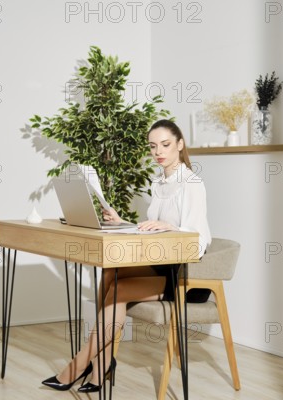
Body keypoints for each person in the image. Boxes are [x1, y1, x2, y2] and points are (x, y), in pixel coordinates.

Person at [42, 119, 212, 392]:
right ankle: (101, 365)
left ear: (180, 145)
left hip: (180, 276)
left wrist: (173, 227)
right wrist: (123, 222)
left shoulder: (192, 184)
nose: (159, 151)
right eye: (153, 146)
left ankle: (81, 364)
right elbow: (152, 229)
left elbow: (199, 241)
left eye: (166, 145)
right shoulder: (160, 182)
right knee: (111, 270)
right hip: (159, 265)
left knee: (118, 287)